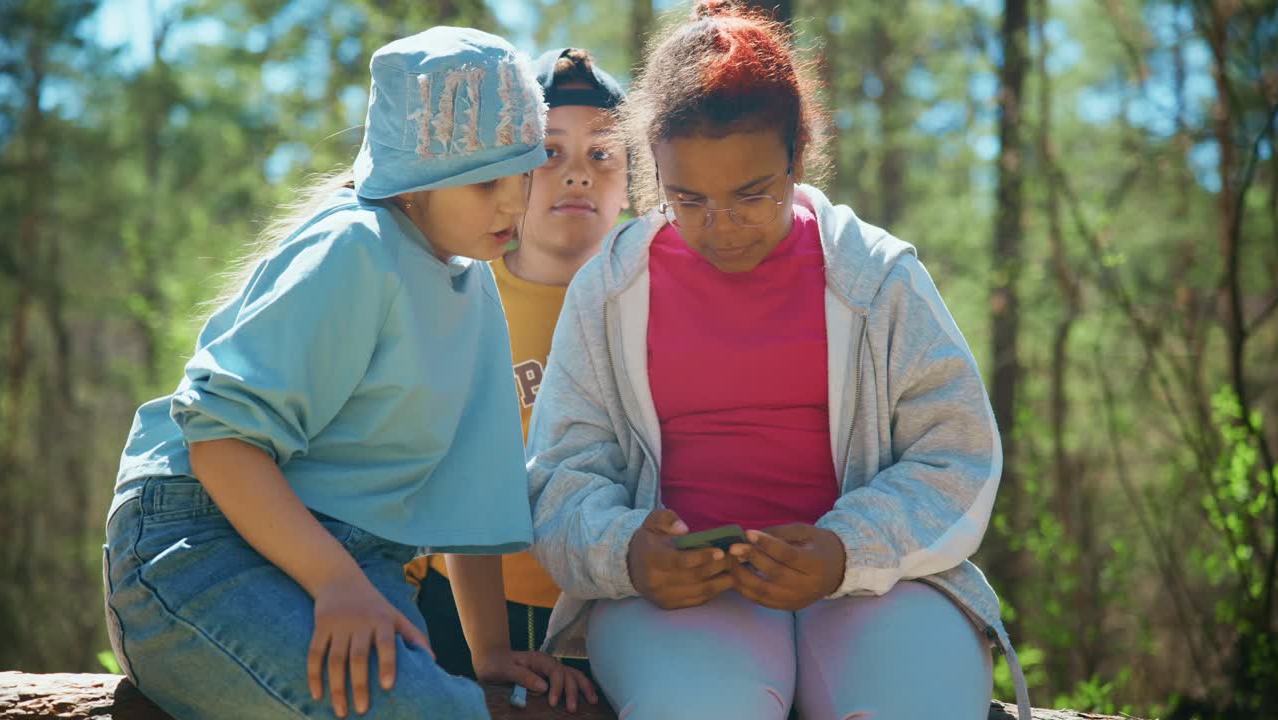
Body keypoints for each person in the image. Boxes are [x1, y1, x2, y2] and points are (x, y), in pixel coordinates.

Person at [524, 2, 1034, 719]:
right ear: (655, 172)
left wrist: (844, 551)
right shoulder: (609, 290)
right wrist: (626, 555)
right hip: (675, 605)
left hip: (882, 592)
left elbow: (957, 457)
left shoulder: (877, 278)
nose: (720, 225)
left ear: (797, 157)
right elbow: (560, 478)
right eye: (687, 198)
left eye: (751, 194)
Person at [102, 27, 550, 719]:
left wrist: (488, 656)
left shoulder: (475, 288)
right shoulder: (356, 247)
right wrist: (337, 581)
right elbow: (222, 441)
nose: (515, 202)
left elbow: (470, 492)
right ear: (412, 181)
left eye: (524, 170)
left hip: (352, 567)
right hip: (200, 546)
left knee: (471, 705)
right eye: (486, 180)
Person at [405, 46, 628, 712]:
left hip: (609, 597)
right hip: (456, 596)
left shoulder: (655, 298)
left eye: (602, 154)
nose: (578, 175)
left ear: (632, 179)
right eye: (550, 152)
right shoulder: (458, 293)